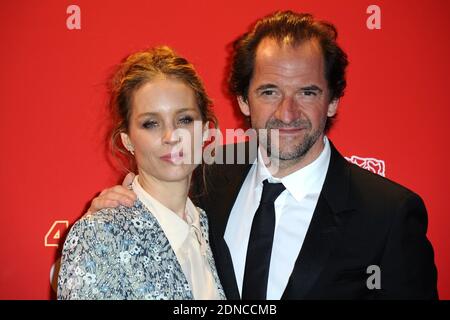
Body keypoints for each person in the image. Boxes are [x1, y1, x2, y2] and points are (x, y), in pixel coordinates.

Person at [87, 11, 438, 299]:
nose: (287, 113)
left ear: (332, 101)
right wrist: (104, 222)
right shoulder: (203, 179)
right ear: (243, 100)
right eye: (269, 91)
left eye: (307, 92)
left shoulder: (388, 214)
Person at [57, 46, 226, 300]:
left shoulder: (206, 225)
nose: (171, 137)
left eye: (185, 120)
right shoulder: (100, 235)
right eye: (151, 123)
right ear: (127, 140)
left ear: (205, 131)